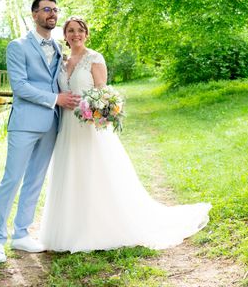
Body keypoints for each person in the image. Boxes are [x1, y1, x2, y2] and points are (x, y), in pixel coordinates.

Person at [40, 16, 211, 252]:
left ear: (86, 34)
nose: (75, 34)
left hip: (90, 126)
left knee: (95, 173)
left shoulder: (94, 58)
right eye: (70, 30)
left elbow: (103, 93)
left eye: (80, 30)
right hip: (67, 127)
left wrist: (93, 111)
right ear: (65, 35)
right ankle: (72, 228)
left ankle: (101, 226)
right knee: (71, 173)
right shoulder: (62, 62)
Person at [0, 0, 81, 263]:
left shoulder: (58, 47)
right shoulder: (17, 47)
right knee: (11, 180)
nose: (52, 14)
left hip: (52, 124)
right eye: (47, 9)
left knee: (35, 181)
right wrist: (55, 100)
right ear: (34, 14)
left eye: (55, 10)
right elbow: (20, 87)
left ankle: (21, 234)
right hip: (25, 123)